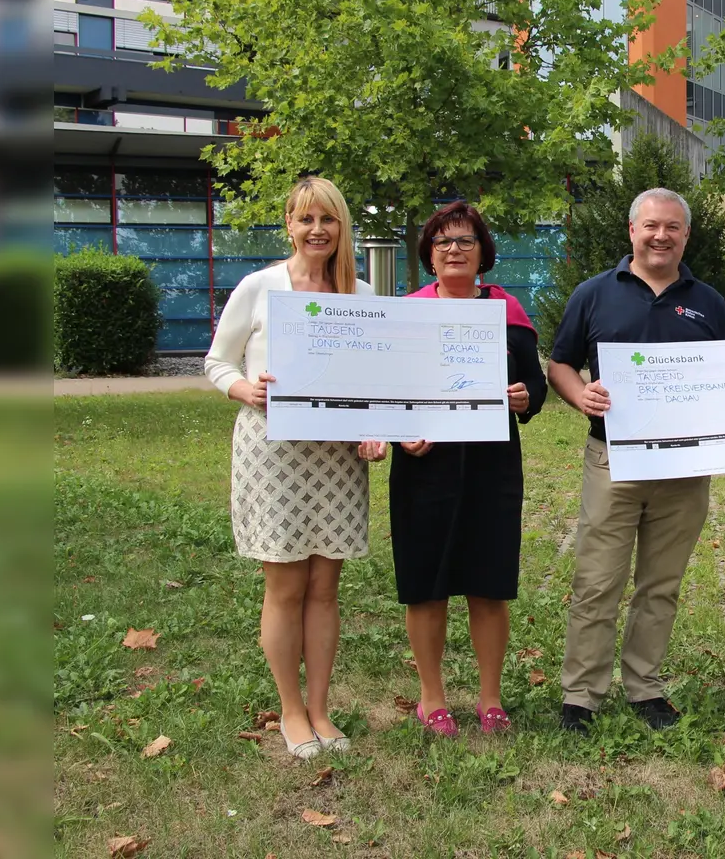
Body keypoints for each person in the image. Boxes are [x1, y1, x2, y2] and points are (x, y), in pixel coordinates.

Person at [546, 188, 725, 734]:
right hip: (613, 461)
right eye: (651, 226)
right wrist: (580, 396)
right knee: (597, 581)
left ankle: (644, 686)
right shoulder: (595, 293)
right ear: (631, 230)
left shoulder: (709, 302)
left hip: (684, 470)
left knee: (660, 584)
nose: (660, 236)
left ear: (685, 236)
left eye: (672, 227)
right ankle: (581, 696)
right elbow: (559, 364)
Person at [204, 177, 388, 760]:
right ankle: (290, 712)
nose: (317, 231)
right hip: (274, 452)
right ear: (289, 223)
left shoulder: (360, 294)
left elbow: (374, 381)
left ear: (341, 228)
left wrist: (374, 428)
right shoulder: (259, 287)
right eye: (306, 219)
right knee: (286, 585)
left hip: (336, 458)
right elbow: (217, 362)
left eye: (328, 220)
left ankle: (320, 708)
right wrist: (244, 389)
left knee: (326, 588)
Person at [391, 201, 548, 738]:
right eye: (442, 243)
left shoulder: (508, 313)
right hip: (424, 465)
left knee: (488, 584)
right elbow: (384, 393)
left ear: (483, 254)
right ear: (429, 255)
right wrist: (398, 432)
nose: (453, 250)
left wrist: (525, 398)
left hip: (491, 466)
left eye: (465, 241)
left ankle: (490, 698)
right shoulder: (405, 314)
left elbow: (537, 387)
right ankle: (430, 697)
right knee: (426, 585)